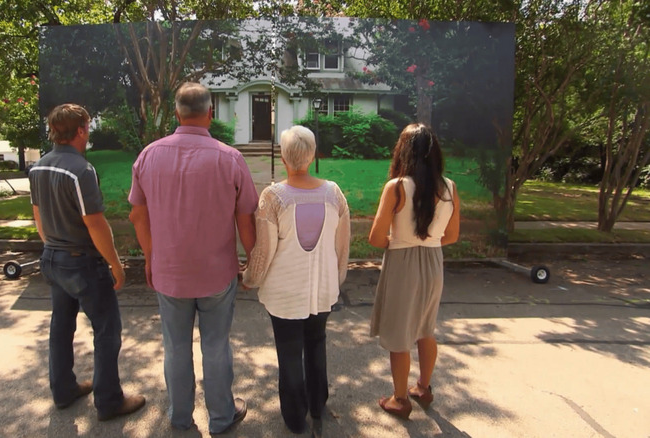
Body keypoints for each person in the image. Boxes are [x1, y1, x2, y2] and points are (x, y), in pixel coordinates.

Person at [128, 82, 258, 434]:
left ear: (176, 113)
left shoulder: (149, 155)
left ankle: (180, 416)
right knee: (216, 345)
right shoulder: (229, 158)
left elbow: (137, 215)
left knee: (175, 347)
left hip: (169, 272)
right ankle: (221, 417)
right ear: (210, 112)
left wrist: (150, 257)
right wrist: (254, 263)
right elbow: (245, 217)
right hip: (217, 272)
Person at [29, 103, 145, 421]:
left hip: (53, 257)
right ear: (81, 130)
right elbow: (95, 223)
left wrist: (52, 247)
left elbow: (38, 216)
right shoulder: (81, 170)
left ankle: (63, 389)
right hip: (82, 262)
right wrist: (116, 264)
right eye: (88, 127)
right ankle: (109, 401)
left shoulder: (38, 167)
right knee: (107, 329)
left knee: (61, 326)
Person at [242, 125, 350, 434]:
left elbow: (263, 250)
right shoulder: (334, 193)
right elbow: (342, 246)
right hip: (323, 290)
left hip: (285, 293)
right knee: (316, 342)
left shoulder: (273, 197)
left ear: (283, 157)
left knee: (289, 351)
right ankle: (318, 402)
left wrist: (250, 277)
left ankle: (294, 416)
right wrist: (336, 280)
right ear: (313, 155)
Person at [367, 123, 460, 419]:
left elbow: (376, 238)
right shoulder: (449, 187)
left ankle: (399, 398)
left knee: (399, 333)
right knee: (425, 327)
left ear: (402, 151)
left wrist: (401, 242)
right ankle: (423, 387)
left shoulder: (396, 187)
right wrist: (428, 242)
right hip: (433, 262)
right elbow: (453, 236)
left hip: (402, 263)